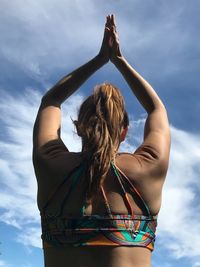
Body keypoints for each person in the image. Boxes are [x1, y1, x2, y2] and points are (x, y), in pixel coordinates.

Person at [32, 14, 170, 267]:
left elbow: (50, 102)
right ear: (124, 131)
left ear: (79, 127)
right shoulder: (148, 167)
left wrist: (98, 60)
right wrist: (118, 60)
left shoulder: (50, 164)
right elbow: (156, 110)